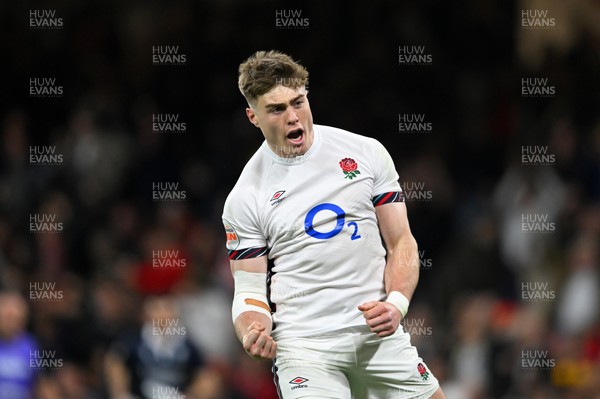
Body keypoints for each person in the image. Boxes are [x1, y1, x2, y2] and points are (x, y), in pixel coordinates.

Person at [222, 50, 446, 399]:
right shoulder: (246, 196)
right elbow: (249, 291)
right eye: (277, 109)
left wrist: (397, 304)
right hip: (306, 349)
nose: (293, 117)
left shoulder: (365, 153)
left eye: (298, 102)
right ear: (253, 116)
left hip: (377, 338)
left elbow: (401, 242)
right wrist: (253, 330)